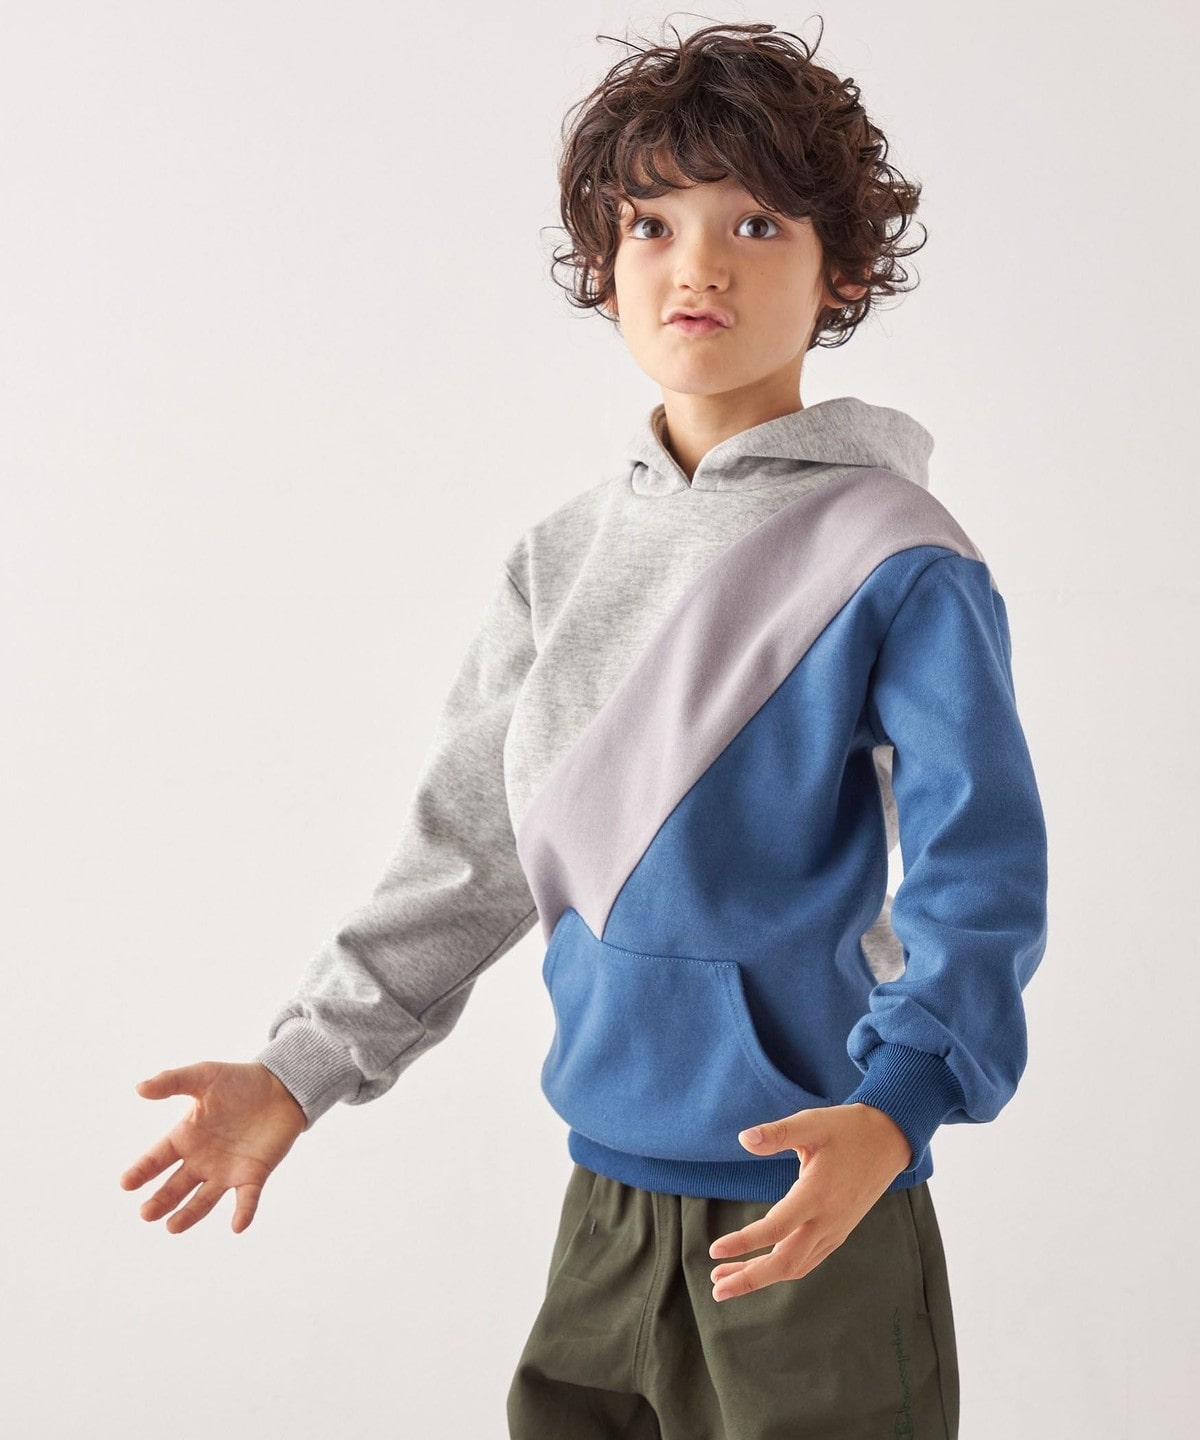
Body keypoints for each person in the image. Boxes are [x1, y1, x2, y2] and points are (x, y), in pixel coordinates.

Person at [120, 18, 1049, 1438]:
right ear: (601, 268)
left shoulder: (896, 555)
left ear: (843, 271)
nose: (698, 265)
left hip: (815, 1195)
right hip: (604, 1203)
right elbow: (467, 851)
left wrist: (900, 1104)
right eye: (651, 224)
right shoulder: (557, 560)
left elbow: (981, 869)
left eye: (755, 221)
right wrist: (299, 1071)